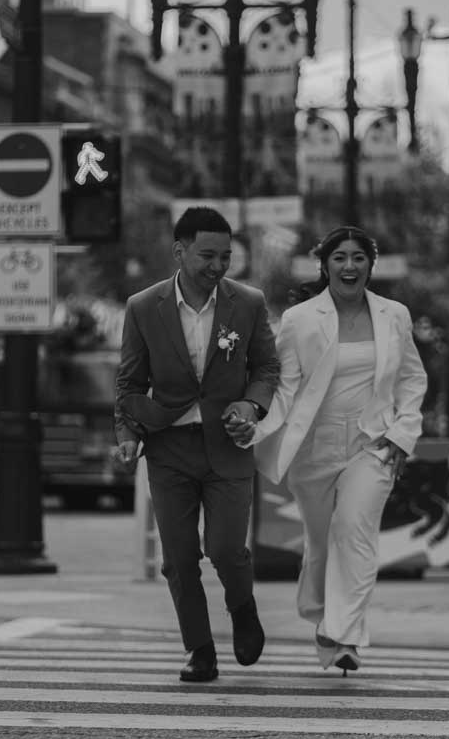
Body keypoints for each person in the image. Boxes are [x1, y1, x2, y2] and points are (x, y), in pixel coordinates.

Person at [238, 226, 427, 675]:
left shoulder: (394, 314)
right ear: (325, 265)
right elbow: (285, 387)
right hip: (314, 447)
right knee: (322, 544)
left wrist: (403, 433)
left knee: (353, 531)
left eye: (358, 258)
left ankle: (340, 633)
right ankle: (322, 615)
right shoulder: (300, 319)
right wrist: (257, 425)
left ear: (370, 264)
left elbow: (412, 379)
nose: (349, 266)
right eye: (339, 258)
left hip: (372, 444)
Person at [112, 206, 280, 683]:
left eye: (225, 256)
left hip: (228, 444)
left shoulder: (247, 303)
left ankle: (242, 608)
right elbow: (128, 383)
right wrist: (126, 436)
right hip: (169, 447)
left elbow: (266, 368)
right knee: (179, 558)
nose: (218, 266)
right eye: (208, 255)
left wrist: (251, 406)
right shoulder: (144, 307)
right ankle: (200, 649)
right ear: (180, 251)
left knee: (227, 549)